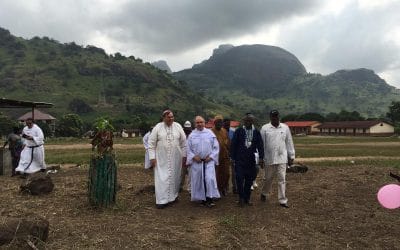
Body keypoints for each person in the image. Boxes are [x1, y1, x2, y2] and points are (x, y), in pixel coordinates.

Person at [148, 110, 187, 209]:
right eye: (169, 117)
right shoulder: (158, 127)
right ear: (164, 118)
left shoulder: (178, 126)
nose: (171, 119)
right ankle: (161, 200)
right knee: (161, 178)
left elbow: (184, 142)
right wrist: (152, 157)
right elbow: (151, 144)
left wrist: (184, 156)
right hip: (162, 158)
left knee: (175, 177)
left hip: (176, 157)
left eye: (172, 117)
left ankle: (173, 197)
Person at [260, 110, 295, 208]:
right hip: (269, 158)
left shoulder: (285, 128)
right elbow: (261, 144)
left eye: (276, 116)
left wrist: (291, 156)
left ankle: (283, 200)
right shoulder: (265, 128)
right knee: (268, 179)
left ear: (279, 117)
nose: (275, 118)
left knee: (282, 179)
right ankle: (264, 192)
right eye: (273, 116)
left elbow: (289, 142)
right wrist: (260, 158)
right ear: (270, 117)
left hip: (282, 158)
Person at [230, 113, 264, 206]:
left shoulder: (256, 132)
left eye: (250, 120)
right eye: (246, 120)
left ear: (252, 121)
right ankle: (241, 198)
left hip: (251, 160)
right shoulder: (239, 131)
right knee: (239, 179)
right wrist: (232, 158)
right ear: (244, 121)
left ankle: (247, 198)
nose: (248, 122)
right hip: (240, 160)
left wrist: (261, 158)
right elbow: (233, 145)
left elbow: (260, 146)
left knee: (249, 180)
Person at [187, 116, 220, 207]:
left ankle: (210, 198)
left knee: (209, 179)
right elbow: (188, 149)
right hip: (197, 162)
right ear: (195, 124)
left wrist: (211, 156)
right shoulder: (192, 135)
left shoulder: (210, 134)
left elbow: (216, 147)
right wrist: (193, 156)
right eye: (197, 122)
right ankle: (201, 199)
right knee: (199, 180)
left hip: (208, 161)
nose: (199, 124)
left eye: (201, 122)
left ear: (204, 123)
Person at [211, 115, 230, 196]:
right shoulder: (210, 132)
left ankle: (224, 188)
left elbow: (228, 143)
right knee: (217, 174)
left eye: (220, 122)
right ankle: (217, 190)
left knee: (226, 174)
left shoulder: (224, 131)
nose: (219, 123)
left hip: (225, 157)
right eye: (217, 122)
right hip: (215, 158)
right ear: (214, 123)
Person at [223, 118, 237, 194]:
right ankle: (225, 187)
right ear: (223, 124)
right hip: (223, 155)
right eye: (226, 124)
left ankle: (235, 188)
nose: (227, 125)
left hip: (232, 154)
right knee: (225, 172)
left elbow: (235, 143)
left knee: (234, 172)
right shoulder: (221, 132)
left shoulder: (233, 132)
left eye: (228, 124)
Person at [180, 120, 192, 193]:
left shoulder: (193, 135)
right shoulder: (181, 135)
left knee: (191, 174)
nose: (187, 130)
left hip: (190, 157)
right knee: (182, 173)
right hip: (183, 157)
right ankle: (180, 186)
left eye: (188, 129)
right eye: (186, 129)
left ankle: (190, 188)